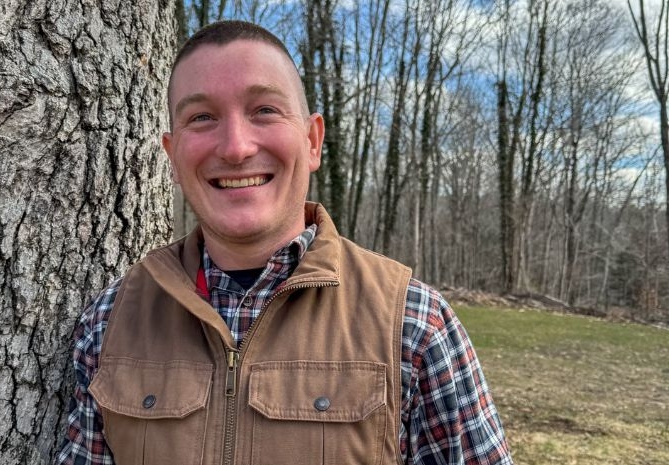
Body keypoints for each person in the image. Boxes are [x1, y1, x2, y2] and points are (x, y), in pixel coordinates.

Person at [55, 20, 513, 465]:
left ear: (312, 141)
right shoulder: (110, 323)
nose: (235, 147)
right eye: (202, 117)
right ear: (172, 158)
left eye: (264, 111)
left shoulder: (413, 326)